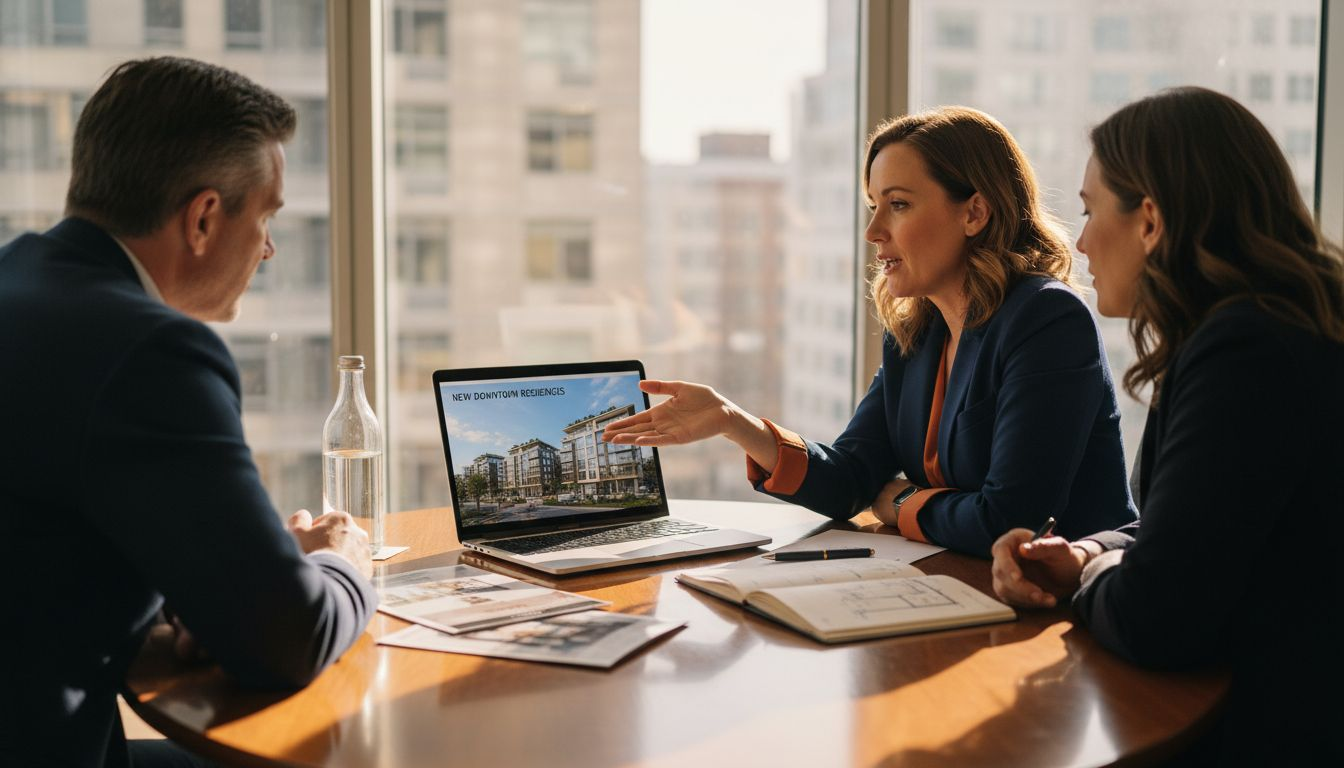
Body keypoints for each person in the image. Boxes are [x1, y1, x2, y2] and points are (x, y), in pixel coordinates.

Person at [0, 58, 377, 767]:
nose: (267, 248)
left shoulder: (16, 277)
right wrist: (343, 563)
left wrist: (224, 592)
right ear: (203, 217)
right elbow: (289, 644)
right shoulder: (151, 354)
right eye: (266, 217)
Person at [989, 87, 1344, 764]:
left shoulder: (1247, 350)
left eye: (1092, 212)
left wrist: (1096, 581)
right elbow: (1184, 528)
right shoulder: (1272, 326)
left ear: (1150, 220)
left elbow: (1156, 619)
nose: (1083, 242)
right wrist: (1088, 556)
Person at [604, 107, 1136, 556]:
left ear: (974, 212)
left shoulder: (1046, 320)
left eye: (898, 205)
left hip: (1068, 610)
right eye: (874, 205)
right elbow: (851, 480)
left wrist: (900, 502)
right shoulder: (918, 331)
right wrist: (733, 422)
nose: (873, 231)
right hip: (956, 587)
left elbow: (1010, 521)